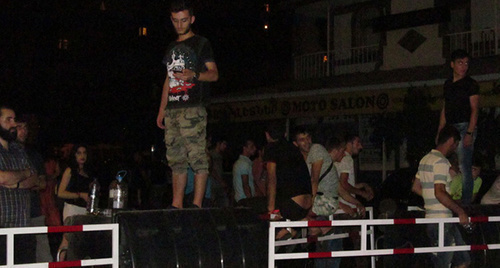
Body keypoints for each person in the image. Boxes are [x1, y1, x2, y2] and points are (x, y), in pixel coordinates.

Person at [156, 0, 219, 209]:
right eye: (175, 21)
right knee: (176, 159)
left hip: (193, 108)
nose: (180, 25)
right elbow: (168, 78)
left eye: (183, 20)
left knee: (197, 157)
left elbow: (214, 74)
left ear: (191, 19)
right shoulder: (172, 46)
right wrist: (162, 109)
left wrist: (194, 75)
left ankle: (197, 204)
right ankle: (177, 205)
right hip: (173, 108)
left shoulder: (201, 43)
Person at [412, 125, 470, 268]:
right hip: (441, 221)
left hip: (432, 220)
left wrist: (435, 198)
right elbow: (439, 192)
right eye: (456, 144)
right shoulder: (441, 162)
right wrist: (460, 211)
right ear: (451, 141)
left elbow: (416, 187)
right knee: (444, 263)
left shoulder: (425, 159)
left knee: (463, 260)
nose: (455, 148)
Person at [436, 49, 480, 205]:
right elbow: (445, 108)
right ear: (452, 64)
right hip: (450, 128)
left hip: (464, 126)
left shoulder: (471, 84)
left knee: (464, 166)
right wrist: (440, 131)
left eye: (466, 63)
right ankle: (447, 197)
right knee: (445, 163)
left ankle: (466, 204)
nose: (464, 66)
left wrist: (469, 132)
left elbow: (475, 109)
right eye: (460, 63)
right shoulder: (448, 84)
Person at [0, 105, 38, 265]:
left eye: (14, 119)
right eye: (8, 120)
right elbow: (1, 178)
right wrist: (24, 173)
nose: (13, 124)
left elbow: (35, 178)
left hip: (23, 227)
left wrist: (15, 183)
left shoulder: (19, 149)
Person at [263, 122, 312, 239]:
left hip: (292, 204)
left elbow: (271, 179)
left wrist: (271, 209)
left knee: (253, 207)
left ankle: (283, 231)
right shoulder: (293, 148)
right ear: (284, 134)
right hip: (307, 203)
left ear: (267, 135)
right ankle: (291, 229)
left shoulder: (271, 148)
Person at [16, 116, 53, 262]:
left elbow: (42, 183)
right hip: (14, 213)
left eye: (25, 127)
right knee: (17, 253)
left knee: (43, 253)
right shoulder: (7, 153)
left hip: (34, 211)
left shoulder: (34, 154)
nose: (23, 131)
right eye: (20, 127)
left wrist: (20, 182)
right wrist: (29, 180)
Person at [56, 144, 93, 261]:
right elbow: (60, 192)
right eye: (79, 153)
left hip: (84, 209)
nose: (82, 156)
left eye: (84, 153)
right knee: (67, 239)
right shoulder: (70, 170)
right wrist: (80, 194)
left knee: (80, 241)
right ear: (74, 155)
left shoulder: (88, 172)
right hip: (72, 208)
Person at [334, 134, 373, 217]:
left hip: (338, 206)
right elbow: (344, 184)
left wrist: (363, 185)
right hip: (347, 206)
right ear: (349, 144)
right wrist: (362, 194)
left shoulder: (338, 158)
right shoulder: (347, 159)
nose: (360, 147)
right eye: (357, 143)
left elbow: (344, 184)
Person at [232, 139, 257, 204]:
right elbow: (245, 184)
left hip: (241, 198)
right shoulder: (243, 163)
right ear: (245, 148)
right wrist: (250, 201)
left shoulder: (242, 162)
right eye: (251, 147)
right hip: (244, 199)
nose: (254, 149)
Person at [209, 136, 229, 207]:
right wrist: (221, 181)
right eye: (224, 144)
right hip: (213, 185)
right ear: (218, 144)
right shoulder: (212, 155)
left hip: (218, 185)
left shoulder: (220, 156)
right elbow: (212, 169)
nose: (225, 146)